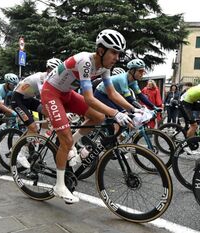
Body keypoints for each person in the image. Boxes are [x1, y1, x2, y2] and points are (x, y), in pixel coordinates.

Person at [41, 29, 138, 203]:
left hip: (67, 94)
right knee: (66, 140)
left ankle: (72, 144)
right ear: (101, 50)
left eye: (119, 53)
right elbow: (89, 98)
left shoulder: (105, 66)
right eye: (114, 52)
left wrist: (133, 109)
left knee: (99, 118)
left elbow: (112, 93)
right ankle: (59, 186)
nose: (117, 57)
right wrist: (116, 113)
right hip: (51, 92)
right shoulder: (86, 61)